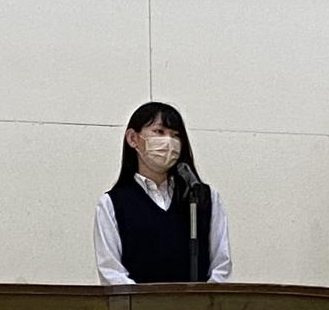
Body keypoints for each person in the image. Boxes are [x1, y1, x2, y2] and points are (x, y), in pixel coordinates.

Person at [93, 101, 231, 284]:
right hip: (138, 302)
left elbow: (221, 266)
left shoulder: (204, 197)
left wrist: (202, 299)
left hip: (199, 302)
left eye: (175, 135)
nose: (169, 142)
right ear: (133, 138)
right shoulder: (112, 203)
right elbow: (111, 271)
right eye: (159, 132)